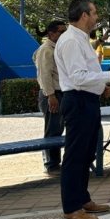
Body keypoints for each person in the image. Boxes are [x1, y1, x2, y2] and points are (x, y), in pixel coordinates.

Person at [55, 0, 110, 219]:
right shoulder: (70, 41)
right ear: (83, 15)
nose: (97, 17)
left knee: (87, 152)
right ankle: (71, 208)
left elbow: (87, 74)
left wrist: (102, 88)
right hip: (77, 101)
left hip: (87, 100)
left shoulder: (80, 40)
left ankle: (82, 199)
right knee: (75, 156)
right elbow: (77, 78)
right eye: (94, 13)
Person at [34, 20, 67, 172]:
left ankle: (56, 162)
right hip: (53, 94)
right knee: (53, 130)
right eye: (61, 31)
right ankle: (52, 164)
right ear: (51, 34)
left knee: (59, 129)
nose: (64, 34)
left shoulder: (59, 48)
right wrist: (51, 96)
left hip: (61, 93)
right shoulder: (46, 50)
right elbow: (44, 75)